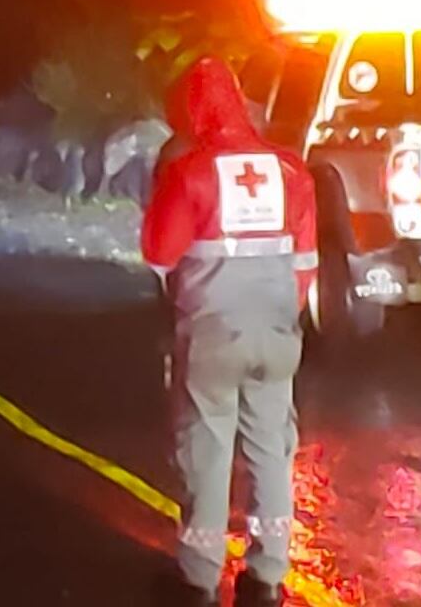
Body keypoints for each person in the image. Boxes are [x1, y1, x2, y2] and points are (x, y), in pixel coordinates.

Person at [141, 57, 318, 607]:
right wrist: (280, 315)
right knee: (271, 449)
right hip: (278, 331)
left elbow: (158, 252)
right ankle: (266, 577)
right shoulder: (292, 171)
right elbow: (306, 262)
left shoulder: (189, 170)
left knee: (207, 449)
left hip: (214, 333)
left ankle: (199, 578)